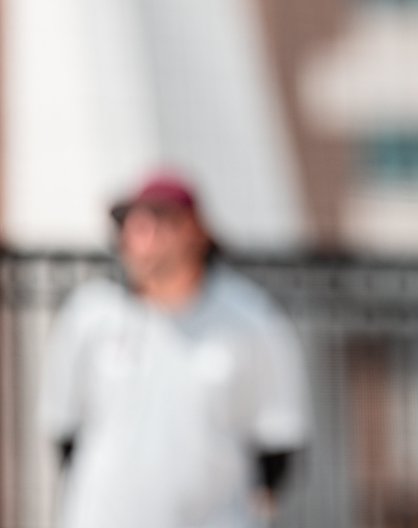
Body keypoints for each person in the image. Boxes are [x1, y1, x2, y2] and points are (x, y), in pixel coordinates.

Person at [40, 172, 311, 528]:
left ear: (196, 231)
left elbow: (278, 435)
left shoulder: (251, 321)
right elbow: (64, 426)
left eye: (159, 219)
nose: (141, 235)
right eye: (131, 222)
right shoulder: (91, 314)